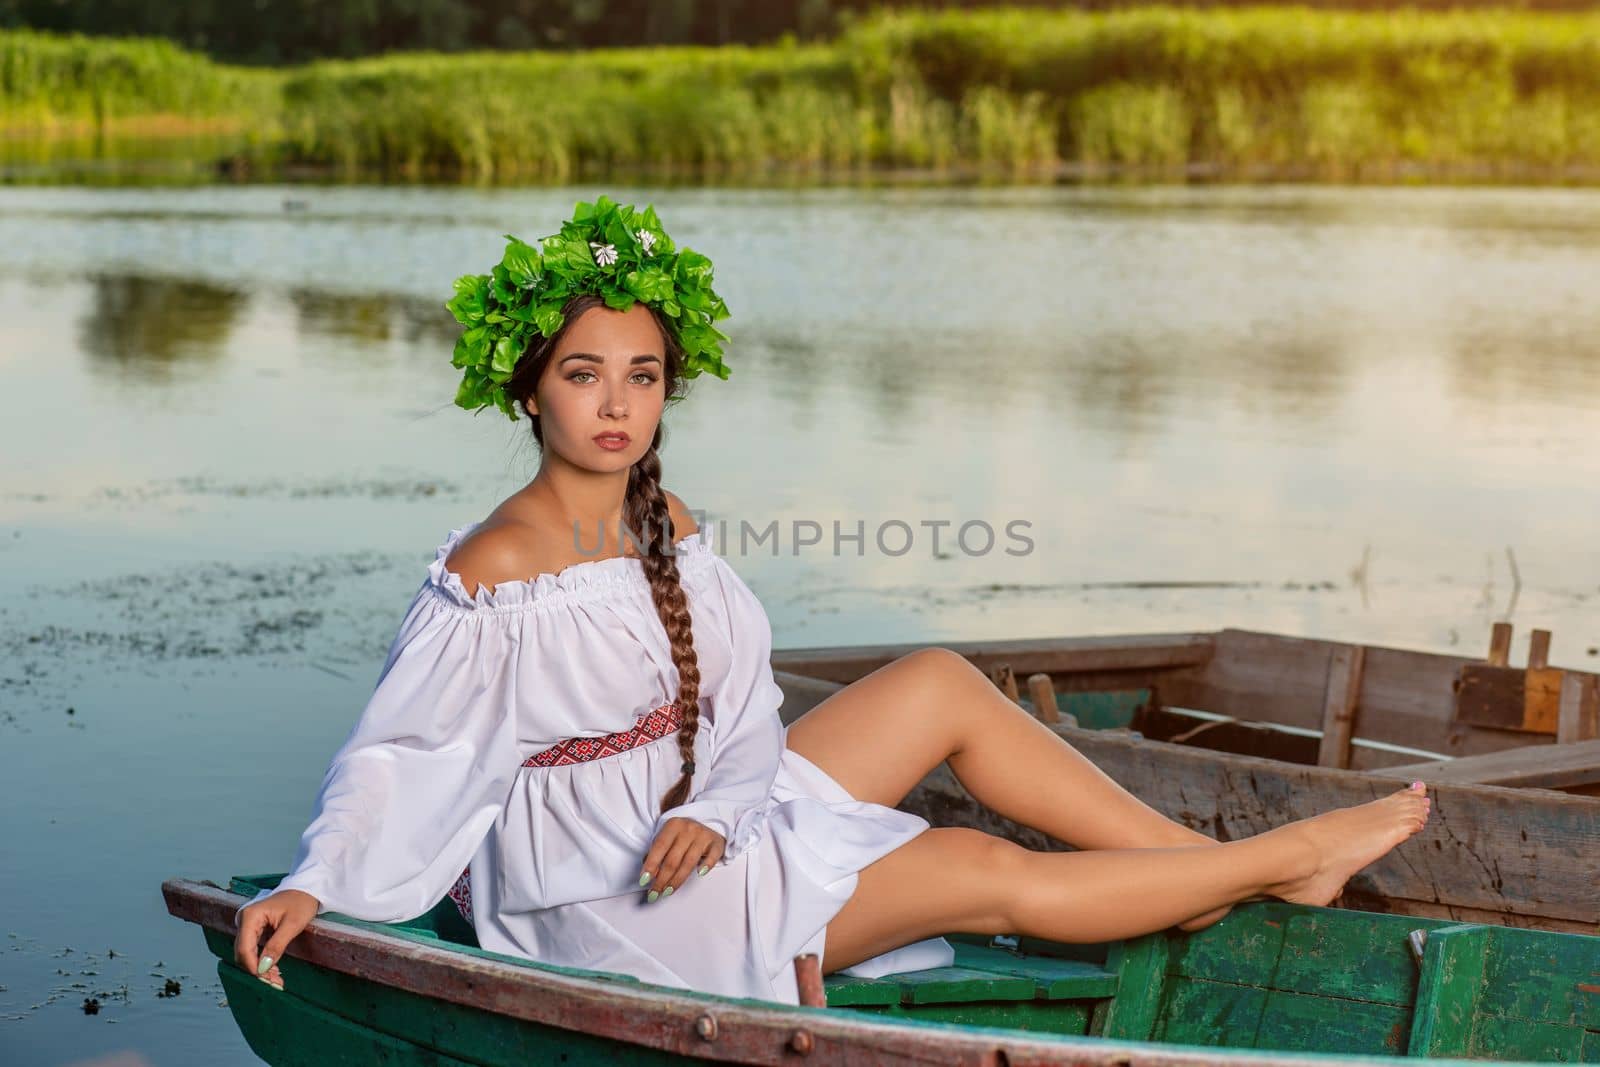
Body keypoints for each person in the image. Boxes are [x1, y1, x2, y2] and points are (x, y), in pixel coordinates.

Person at [233, 197, 1431, 1005]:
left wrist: (723, 793)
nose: (616, 404)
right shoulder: (495, 569)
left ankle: (1238, 874)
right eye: (583, 373)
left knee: (938, 683)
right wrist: (316, 878)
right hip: (615, 897)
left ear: (665, 389)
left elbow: (737, 697)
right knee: (971, 859)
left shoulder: (666, 520)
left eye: (641, 376)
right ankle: (1282, 857)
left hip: (701, 815)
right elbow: (400, 753)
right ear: (529, 392)